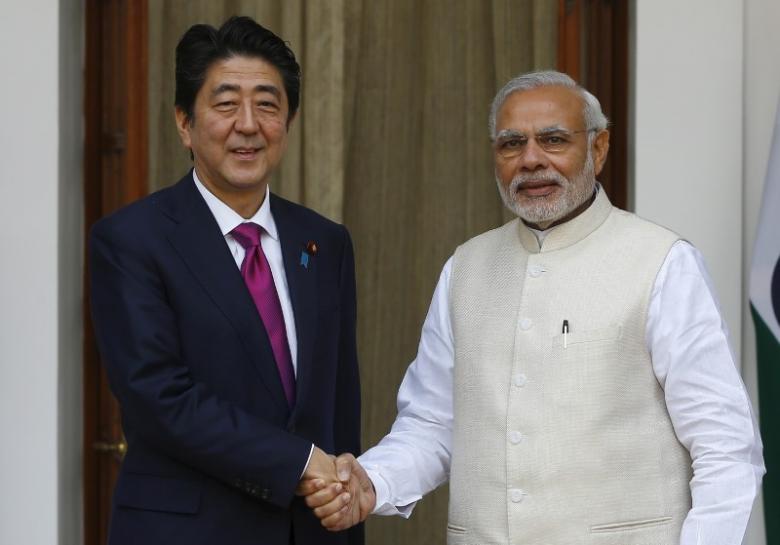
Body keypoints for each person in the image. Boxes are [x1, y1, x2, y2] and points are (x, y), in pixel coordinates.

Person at [301, 71, 765, 545]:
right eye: (510, 145)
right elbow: (432, 425)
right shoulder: (467, 267)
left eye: (554, 140)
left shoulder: (662, 262)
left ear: (598, 149)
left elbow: (725, 445)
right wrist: (372, 482)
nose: (531, 160)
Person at [89, 16, 362, 545]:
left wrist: (343, 502)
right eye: (225, 103)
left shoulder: (323, 242)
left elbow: (338, 404)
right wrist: (303, 462)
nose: (248, 124)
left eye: (267, 103)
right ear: (185, 123)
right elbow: (157, 397)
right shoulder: (131, 240)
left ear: (288, 121)